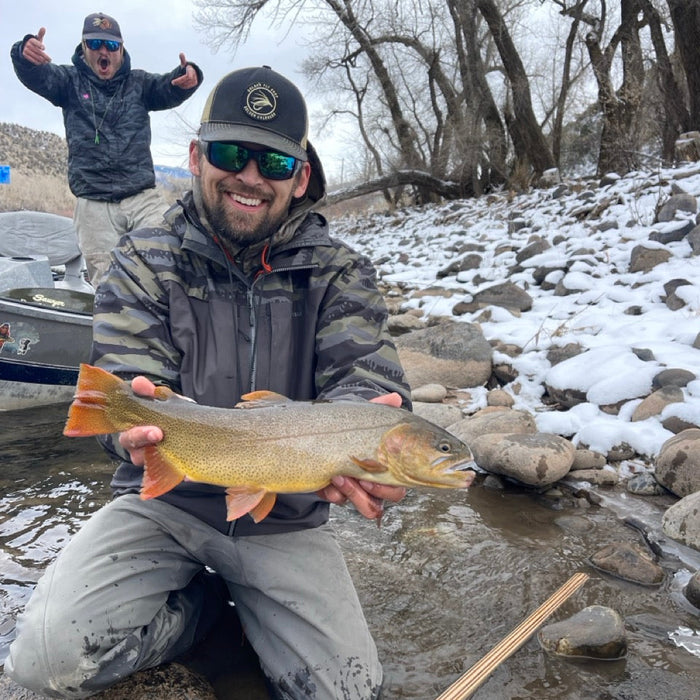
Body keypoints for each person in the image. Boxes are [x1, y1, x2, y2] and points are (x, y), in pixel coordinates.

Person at [5, 65, 412, 699]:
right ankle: (197, 616)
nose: (250, 177)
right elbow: (120, 381)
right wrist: (127, 433)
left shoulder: (338, 272)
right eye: (230, 154)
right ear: (197, 157)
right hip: (164, 503)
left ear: (300, 176)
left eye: (273, 164)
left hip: (285, 520)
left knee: (345, 693)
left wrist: (369, 435)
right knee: (45, 664)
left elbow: (365, 377)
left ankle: (249, 604)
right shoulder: (144, 257)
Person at [10, 12, 203, 287]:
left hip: (141, 199)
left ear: (121, 48)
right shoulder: (68, 82)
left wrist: (189, 75)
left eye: (111, 46)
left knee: (168, 260)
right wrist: (23, 52)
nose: (104, 51)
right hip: (94, 205)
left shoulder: (140, 84)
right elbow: (37, 74)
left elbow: (169, 86)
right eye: (96, 44)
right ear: (84, 47)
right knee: (109, 288)